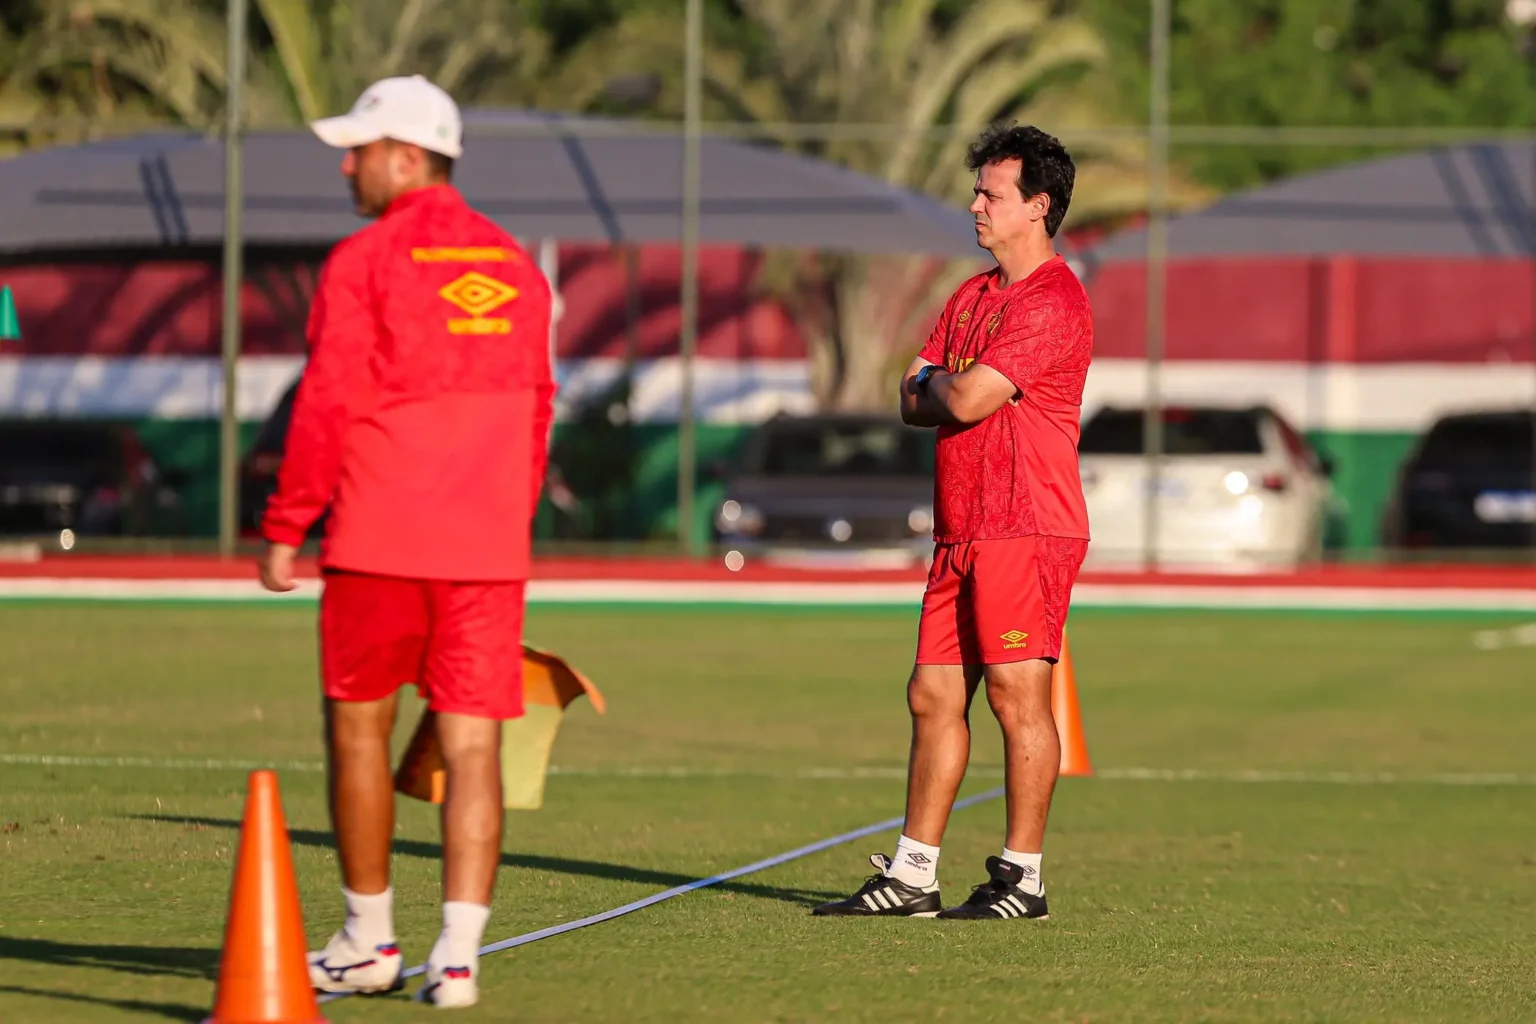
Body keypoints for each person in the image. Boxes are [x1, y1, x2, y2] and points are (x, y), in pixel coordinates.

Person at [256, 75, 555, 1006]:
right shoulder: (516, 264)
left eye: (359, 149)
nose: (347, 166)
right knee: (473, 751)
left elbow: (328, 402)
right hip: (486, 552)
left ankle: (368, 941)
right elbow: (540, 412)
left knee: (358, 735)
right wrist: (507, 517)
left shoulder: (366, 259)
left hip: (381, 537)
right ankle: (457, 960)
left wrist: (284, 526)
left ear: (406, 156)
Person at [813, 123, 1093, 921]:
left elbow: (958, 397)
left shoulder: (1053, 300)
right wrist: (943, 382)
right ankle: (912, 874)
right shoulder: (971, 295)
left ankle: (1022, 879)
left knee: (1015, 698)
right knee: (932, 696)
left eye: (991, 194)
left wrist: (942, 381)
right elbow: (909, 399)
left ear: (1036, 207)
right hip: (960, 527)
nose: (975, 205)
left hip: (1025, 525)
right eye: (977, 190)